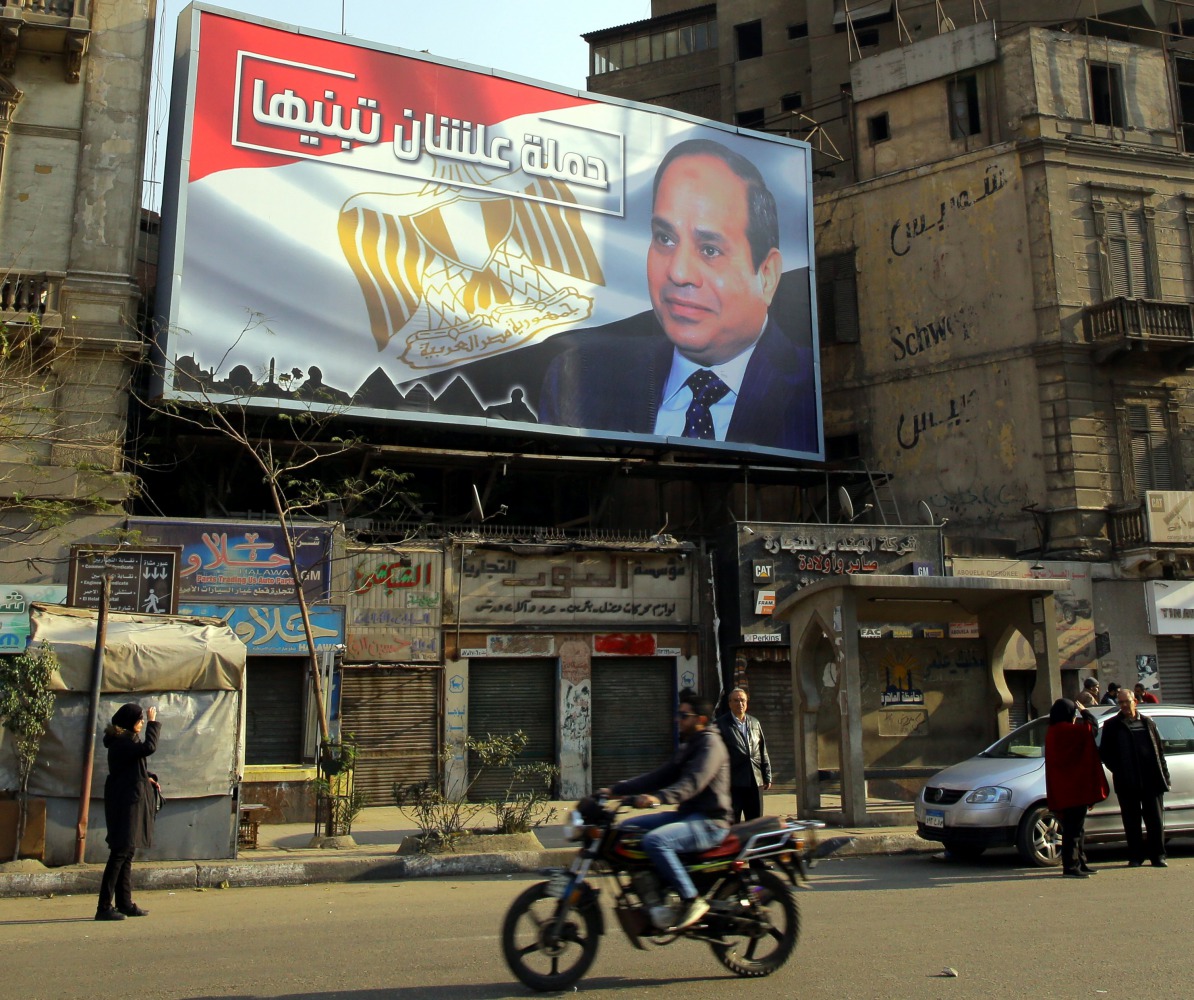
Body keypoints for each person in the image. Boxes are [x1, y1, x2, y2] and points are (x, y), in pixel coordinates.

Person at [538, 138, 817, 452]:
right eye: (665, 238)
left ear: (767, 276)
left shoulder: (811, 393)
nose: (679, 272)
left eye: (710, 250)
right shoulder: (581, 380)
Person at [601, 688, 731, 932]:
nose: (678, 720)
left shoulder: (711, 745)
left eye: (684, 716)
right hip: (687, 816)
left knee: (656, 841)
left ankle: (691, 899)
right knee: (627, 830)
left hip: (710, 822)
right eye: (678, 715)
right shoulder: (690, 745)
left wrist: (657, 798)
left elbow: (693, 783)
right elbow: (660, 775)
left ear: (700, 720)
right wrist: (615, 790)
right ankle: (653, 892)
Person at [96, 703, 161, 920]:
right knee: (120, 852)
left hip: (129, 800)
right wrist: (153, 723)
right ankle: (104, 907)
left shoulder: (126, 741)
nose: (142, 723)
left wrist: (147, 777)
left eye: (144, 720)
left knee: (127, 852)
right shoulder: (121, 742)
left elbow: (133, 766)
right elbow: (148, 748)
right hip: (124, 803)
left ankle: (124, 903)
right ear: (129, 722)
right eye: (140, 720)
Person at [1099, 688, 1170, 868]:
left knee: (1155, 820)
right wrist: (1119, 769)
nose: (1123, 705)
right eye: (1120, 702)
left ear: (1134, 702)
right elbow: (1105, 754)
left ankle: (1158, 856)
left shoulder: (1148, 723)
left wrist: (1165, 776)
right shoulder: (1112, 726)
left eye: (1126, 701)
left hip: (1151, 780)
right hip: (1127, 781)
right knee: (1131, 822)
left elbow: (1159, 752)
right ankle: (1136, 856)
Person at [1044, 698, 1108, 878]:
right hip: (1075, 790)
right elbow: (1091, 729)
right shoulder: (1067, 731)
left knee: (1077, 829)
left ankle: (1080, 861)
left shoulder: (1052, 731)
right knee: (1073, 830)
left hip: (1064, 789)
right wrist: (1086, 712)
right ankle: (1071, 866)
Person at [716, 688, 772, 822]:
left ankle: (754, 843)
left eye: (742, 700)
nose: (740, 704)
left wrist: (767, 775)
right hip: (734, 782)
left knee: (755, 821)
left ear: (747, 703)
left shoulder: (754, 723)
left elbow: (762, 750)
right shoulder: (721, 724)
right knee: (732, 822)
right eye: (736, 701)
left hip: (755, 780)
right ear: (729, 703)